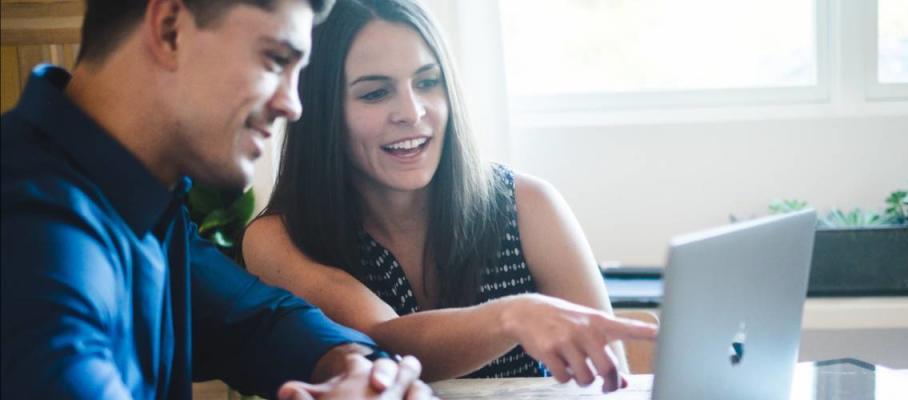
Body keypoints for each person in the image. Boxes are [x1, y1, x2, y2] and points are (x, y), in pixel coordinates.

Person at [0, 0, 435, 398]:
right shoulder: (30, 228)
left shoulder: (135, 198)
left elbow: (255, 322)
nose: (293, 105)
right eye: (275, 59)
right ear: (171, 29)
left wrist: (364, 372)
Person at [241, 0, 657, 393]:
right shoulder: (280, 238)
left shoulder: (530, 206)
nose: (412, 111)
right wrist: (514, 315)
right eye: (375, 93)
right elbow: (384, 340)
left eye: (427, 83)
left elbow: (609, 379)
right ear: (320, 114)